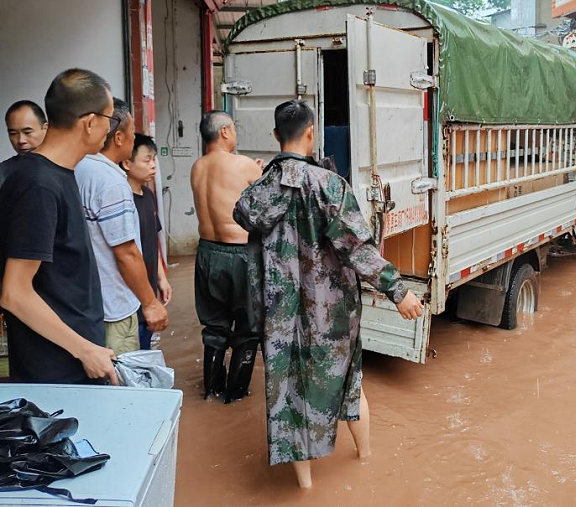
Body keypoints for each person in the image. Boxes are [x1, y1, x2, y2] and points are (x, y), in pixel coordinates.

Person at [233, 100, 423, 489]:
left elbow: (245, 218)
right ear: (311, 132)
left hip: (279, 318)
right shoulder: (330, 185)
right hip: (331, 316)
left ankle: (305, 487)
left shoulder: (258, 192)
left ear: (274, 137)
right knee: (349, 383)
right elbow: (358, 249)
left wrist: (263, 175)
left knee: (287, 394)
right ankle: (366, 459)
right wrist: (398, 292)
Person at [0, 69, 118, 384]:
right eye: (110, 118)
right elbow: (14, 293)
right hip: (54, 372)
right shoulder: (38, 185)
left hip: (75, 360)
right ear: (90, 122)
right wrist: (84, 350)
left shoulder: (60, 174)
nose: (110, 128)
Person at [75, 99, 168, 356]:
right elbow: (126, 253)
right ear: (118, 137)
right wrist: (150, 304)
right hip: (115, 307)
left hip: (90, 304)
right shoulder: (112, 183)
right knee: (121, 384)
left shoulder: (81, 167)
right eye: (131, 130)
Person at [190, 110, 263, 403]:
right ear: (223, 132)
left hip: (207, 253)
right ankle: (235, 395)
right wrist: (257, 169)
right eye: (233, 129)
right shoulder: (243, 164)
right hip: (240, 255)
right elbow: (266, 197)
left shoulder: (196, 167)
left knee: (214, 326)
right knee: (247, 328)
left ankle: (211, 391)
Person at [121, 133, 173, 350]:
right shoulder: (122, 199)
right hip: (130, 297)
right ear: (126, 163)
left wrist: (162, 277)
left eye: (154, 160)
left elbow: (154, 239)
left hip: (149, 290)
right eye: (146, 160)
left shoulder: (148, 196)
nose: (153, 166)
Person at [0, 100, 48, 191]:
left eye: (27, 132)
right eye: (13, 133)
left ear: (45, 129)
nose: (21, 140)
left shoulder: (67, 167)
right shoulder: (3, 173)